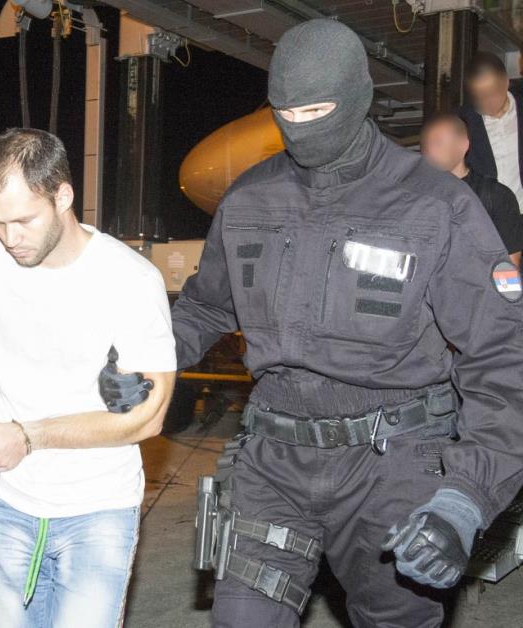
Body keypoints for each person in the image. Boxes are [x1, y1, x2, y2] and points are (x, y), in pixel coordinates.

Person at [102, 19, 523, 627]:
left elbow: (503, 357)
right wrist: (149, 360)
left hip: (391, 467)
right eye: (286, 112)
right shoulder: (250, 200)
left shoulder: (435, 205)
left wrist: (466, 498)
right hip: (273, 462)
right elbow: (205, 306)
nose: (300, 126)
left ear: (357, 97)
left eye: (318, 110)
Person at [0, 128, 177, 628]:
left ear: (63, 196)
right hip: (5, 499)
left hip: (98, 508)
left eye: (24, 220)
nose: (10, 239)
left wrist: (28, 436)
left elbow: (149, 417)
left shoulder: (130, 279)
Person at [421, 113, 523, 267]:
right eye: (425, 145)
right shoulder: (416, 194)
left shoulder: (496, 195)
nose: (430, 151)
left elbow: (509, 265)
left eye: (438, 143)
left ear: (463, 145)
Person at [460, 51, 523, 211]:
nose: (487, 101)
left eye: (492, 93)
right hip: (487, 216)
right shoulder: (463, 121)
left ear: (506, 83)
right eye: (479, 96)